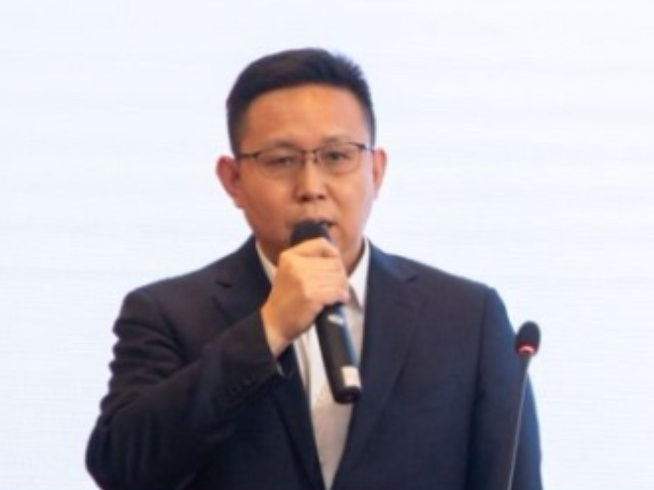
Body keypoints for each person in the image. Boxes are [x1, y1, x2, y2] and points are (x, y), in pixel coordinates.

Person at [86, 47, 542, 490]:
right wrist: (268, 330)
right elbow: (122, 469)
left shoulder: (467, 319)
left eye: (337, 156)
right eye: (281, 161)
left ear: (376, 171)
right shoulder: (167, 314)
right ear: (233, 180)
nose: (311, 186)